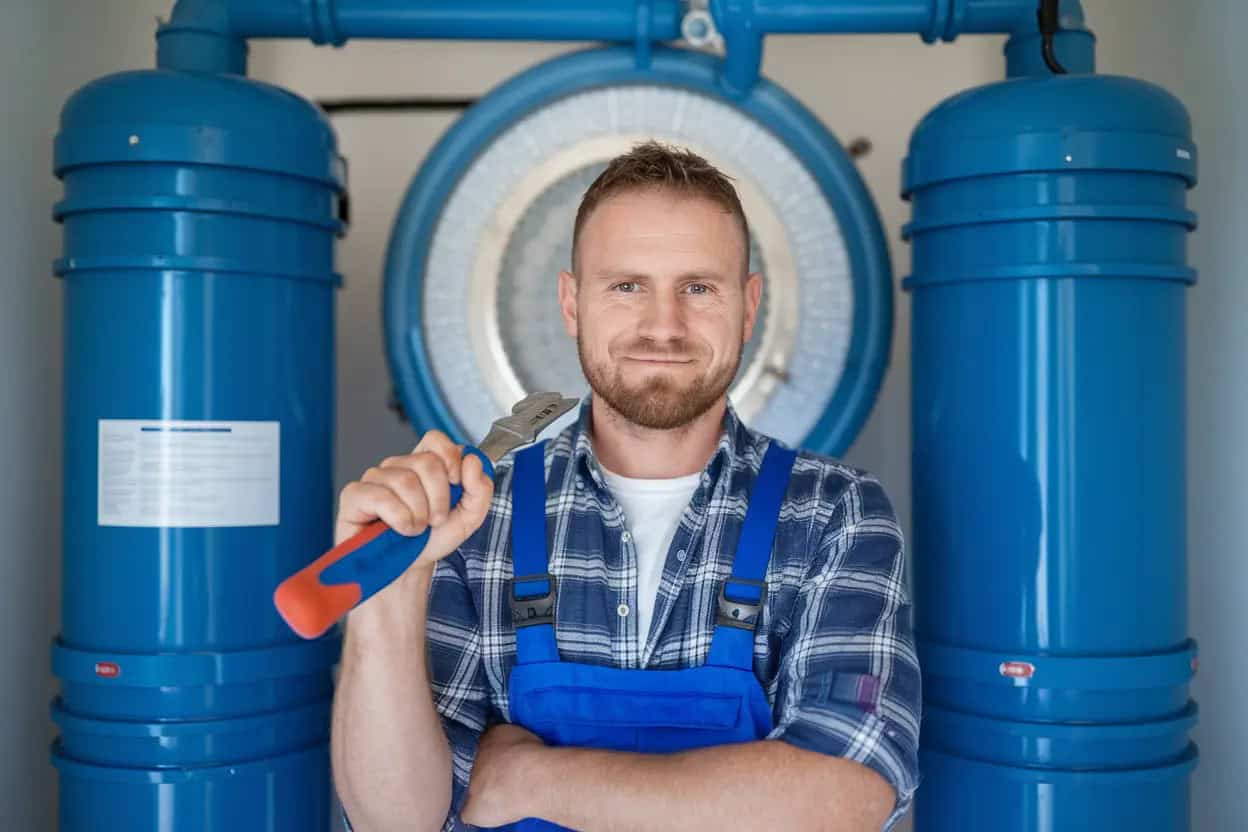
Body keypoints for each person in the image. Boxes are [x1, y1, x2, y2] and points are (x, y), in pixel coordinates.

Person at [331, 141, 920, 832]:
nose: (663, 326)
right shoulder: (478, 519)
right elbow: (394, 819)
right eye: (626, 286)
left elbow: (844, 799)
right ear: (573, 302)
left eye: (698, 287)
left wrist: (534, 775)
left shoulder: (834, 515)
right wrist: (386, 598)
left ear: (748, 304)